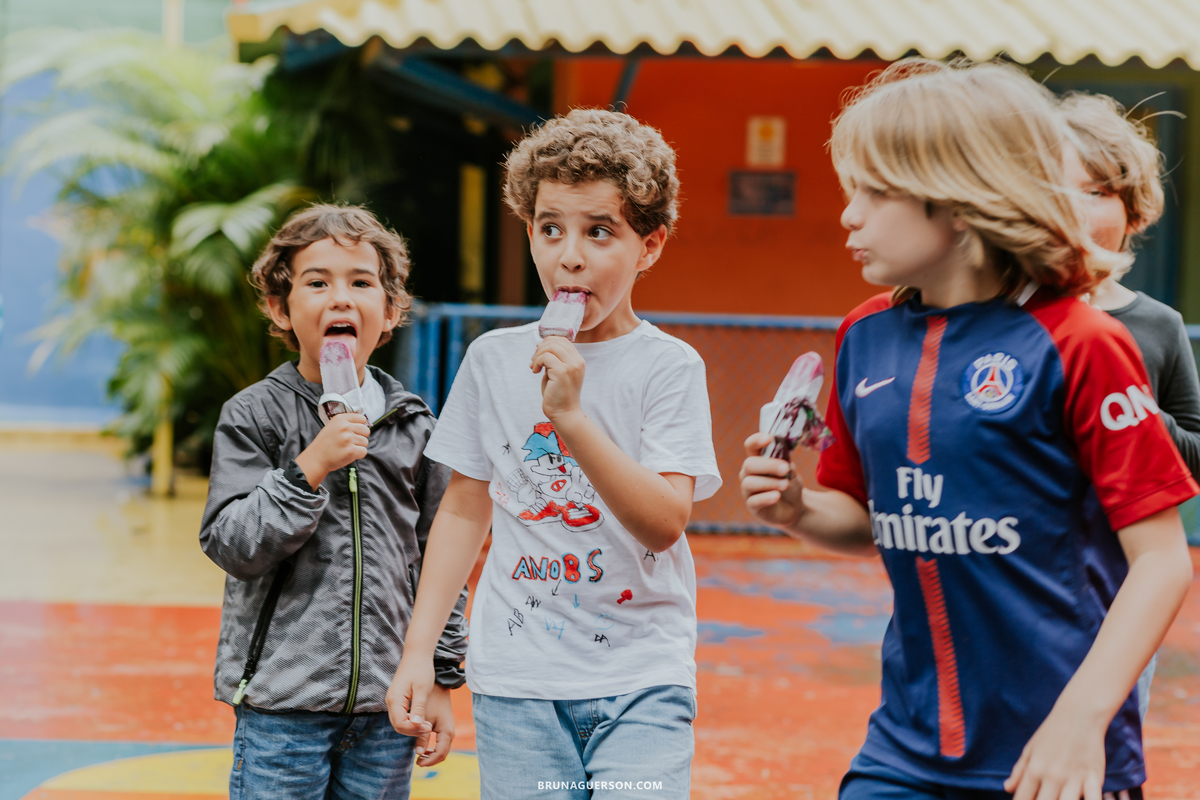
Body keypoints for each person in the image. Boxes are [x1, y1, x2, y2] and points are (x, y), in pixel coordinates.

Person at [739, 59, 1197, 800]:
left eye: (874, 191)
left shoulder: (1081, 342)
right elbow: (865, 517)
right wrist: (795, 508)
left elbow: (1163, 562)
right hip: (903, 748)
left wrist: (1081, 720)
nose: (849, 214)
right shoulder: (865, 336)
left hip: (1057, 755)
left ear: (960, 201)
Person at [385, 108, 721, 800]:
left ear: (649, 247)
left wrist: (570, 416)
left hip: (642, 677)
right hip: (519, 680)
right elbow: (463, 508)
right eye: (550, 228)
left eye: (600, 232)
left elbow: (665, 520)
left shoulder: (669, 368)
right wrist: (422, 654)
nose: (570, 255)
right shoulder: (492, 360)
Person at [199, 204, 468, 799]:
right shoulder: (254, 416)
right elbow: (231, 544)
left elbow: (440, 560)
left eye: (361, 282)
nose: (340, 298)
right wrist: (308, 468)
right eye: (317, 283)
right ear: (280, 308)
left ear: (392, 311)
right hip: (282, 708)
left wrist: (441, 678)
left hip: (387, 705)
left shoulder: (416, 427)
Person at [1061, 92, 1200, 723]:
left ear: (1132, 208)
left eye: (1098, 192)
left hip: (1118, 585)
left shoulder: (1157, 324)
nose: (1078, 211)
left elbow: (1194, 451)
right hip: (1011, 573)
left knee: (1101, 743)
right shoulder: (1003, 320)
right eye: (1059, 191)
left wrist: (1123, 392)